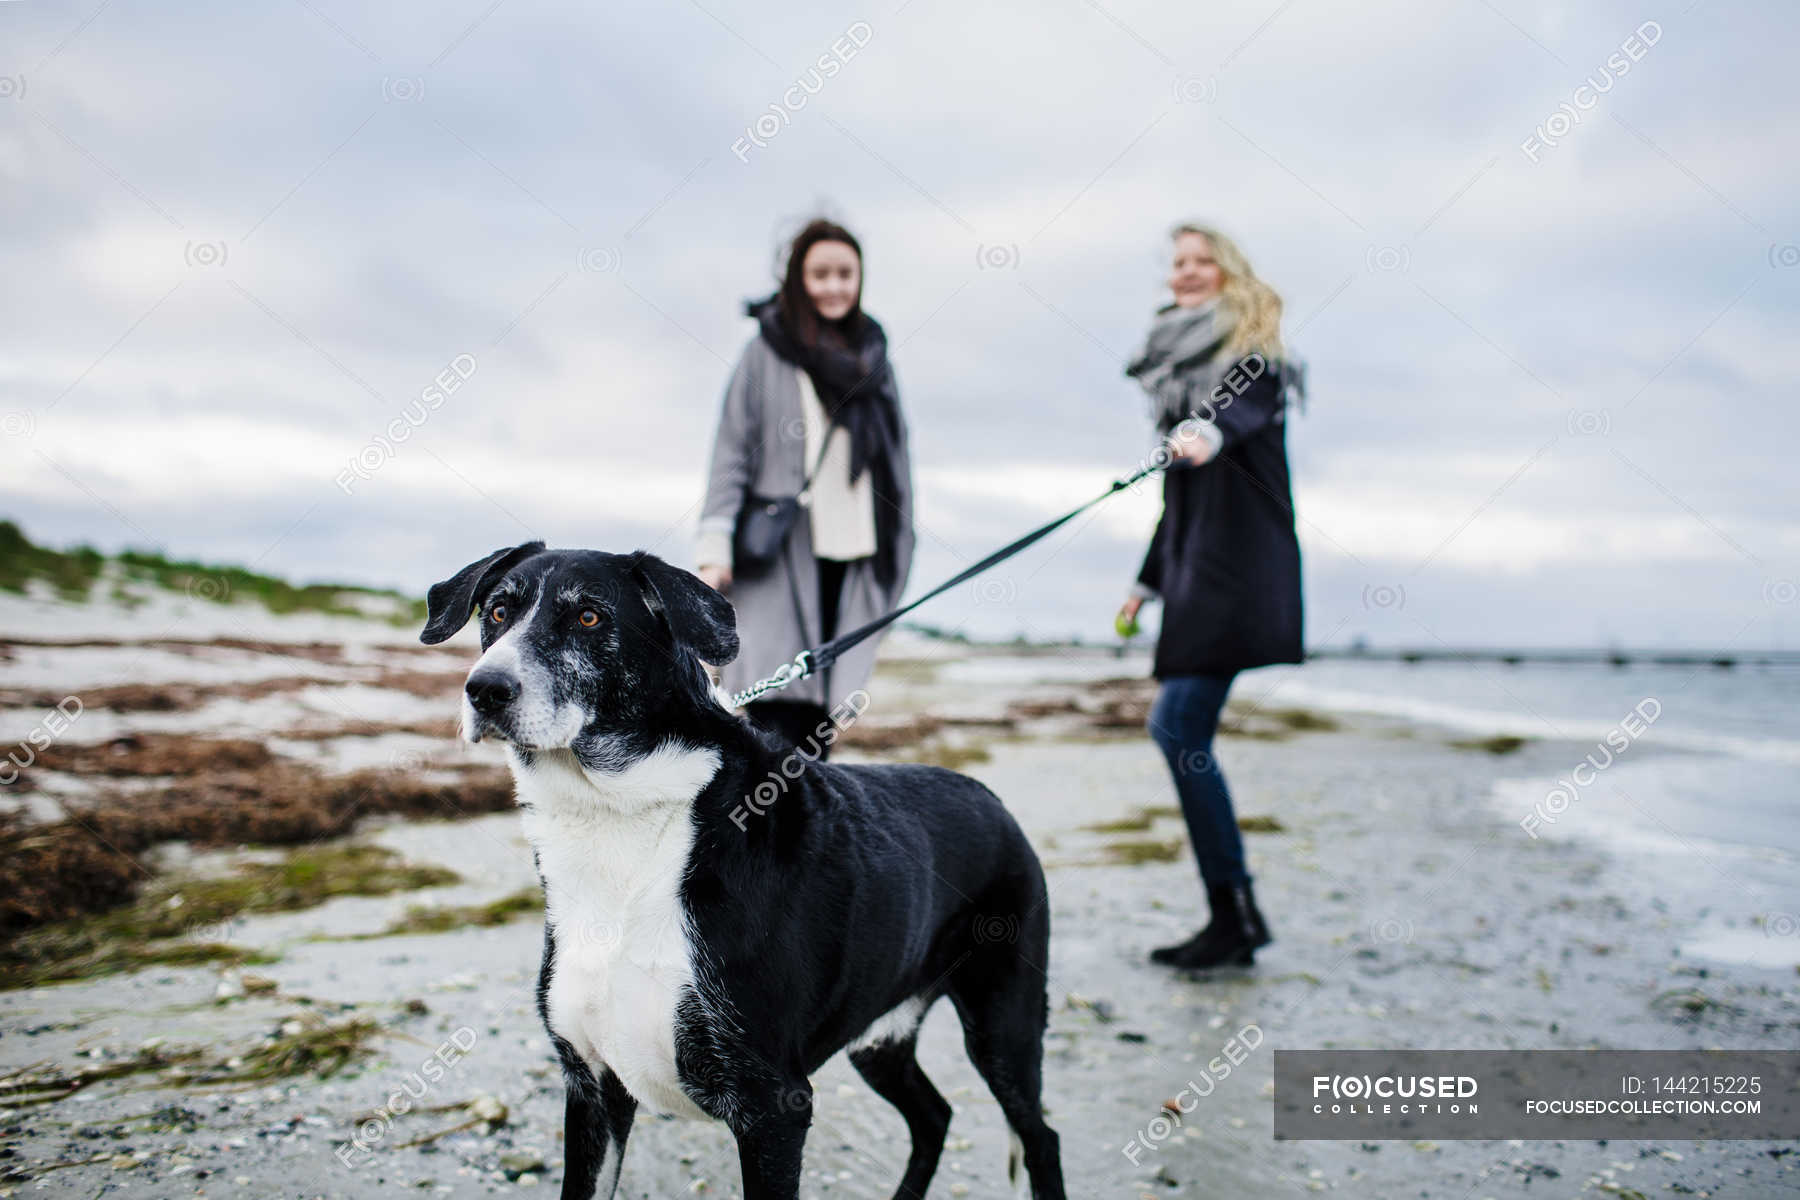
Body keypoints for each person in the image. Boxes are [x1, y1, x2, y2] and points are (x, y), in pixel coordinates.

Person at [1118, 223, 1305, 970]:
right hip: (1198, 579)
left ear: (1228, 273)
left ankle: (1235, 914)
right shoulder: (1179, 375)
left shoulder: (1252, 361)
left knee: (1178, 730)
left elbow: (1237, 417)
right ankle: (1236, 914)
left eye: (1202, 261)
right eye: (1177, 263)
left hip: (1238, 578)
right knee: (1181, 734)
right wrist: (1143, 583)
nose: (1187, 273)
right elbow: (1179, 505)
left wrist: (1207, 435)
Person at [697, 218, 915, 759]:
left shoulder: (876, 358)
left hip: (856, 552)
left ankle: (802, 838)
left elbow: (899, 464)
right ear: (798, 278)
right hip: (775, 555)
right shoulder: (764, 350)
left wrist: (901, 548)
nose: (834, 286)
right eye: (820, 273)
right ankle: (769, 833)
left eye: (846, 273)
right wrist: (713, 549)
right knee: (774, 708)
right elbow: (731, 452)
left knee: (826, 718)